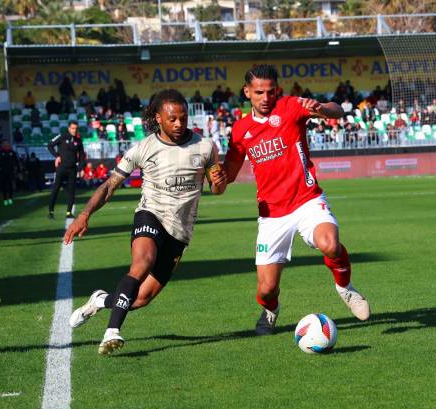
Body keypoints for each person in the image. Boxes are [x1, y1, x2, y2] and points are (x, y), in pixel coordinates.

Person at [65, 89, 227, 355]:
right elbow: (109, 186)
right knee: (142, 262)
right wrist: (84, 215)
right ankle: (112, 331)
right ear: (158, 118)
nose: (178, 124)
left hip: (180, 232)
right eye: (172, 118)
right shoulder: (143, 148)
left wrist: (219, 184)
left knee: (140, 299)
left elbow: (216, 187)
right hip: (150, 214)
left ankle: (100, 300)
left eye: (183, 118)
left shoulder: (206, 147)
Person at [224, 64, 370, 335]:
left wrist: (323, 109)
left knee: (330, 243)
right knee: (267, 289)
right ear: (247, 92)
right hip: (272, 215)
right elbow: (228, 176)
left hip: (307, 200)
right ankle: (270, 310)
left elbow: (337, 110)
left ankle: (345, 288)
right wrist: (213, 175)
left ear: (277, 90)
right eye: (258, 92)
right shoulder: (240, 130)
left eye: (270, 92)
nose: (265, 98)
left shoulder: (291, 106)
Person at [47, 120, 85, 218]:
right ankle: (50, 211)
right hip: (61, 168)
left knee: (71, 191)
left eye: (76, 128)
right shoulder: (62, 137)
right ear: (69, 128)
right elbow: (50, 145)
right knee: (56, 189)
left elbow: (81, 157)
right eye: (72, 128)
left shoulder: (79, 141)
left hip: (72, 169)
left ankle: (69, 212)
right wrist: (57, 156)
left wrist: (81, 168)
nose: (74, 130)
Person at [0, 140, 20, 206]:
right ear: (2, 144)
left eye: (7, 143)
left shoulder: (12, 152)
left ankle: (10, 198)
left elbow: (16, 161)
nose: (5, 144)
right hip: (2, 172)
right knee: (4, 186)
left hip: (10, 171)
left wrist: (18, 169)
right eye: (4, 143)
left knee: (10, 185)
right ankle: (5, 199)